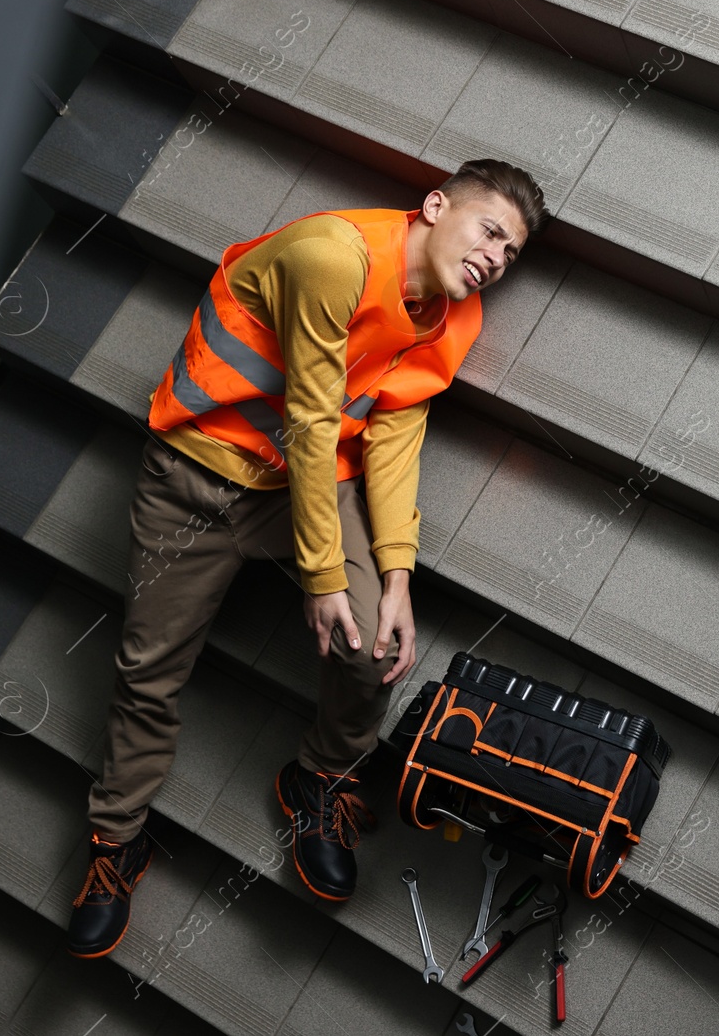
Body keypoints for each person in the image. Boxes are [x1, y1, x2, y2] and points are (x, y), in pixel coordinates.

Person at [65, 159, 545, 958]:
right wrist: (324, 577)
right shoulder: (335, 255)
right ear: (434, 206)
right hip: (196, 481)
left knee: (377, 651)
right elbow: (313, 419)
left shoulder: (455, 317)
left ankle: (317, 780)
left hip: (308, 491)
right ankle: (117, 842)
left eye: (510, 254)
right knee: (147, 671)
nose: (496, 258)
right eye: (490, 231)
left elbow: (392, 439)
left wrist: (396, 575)